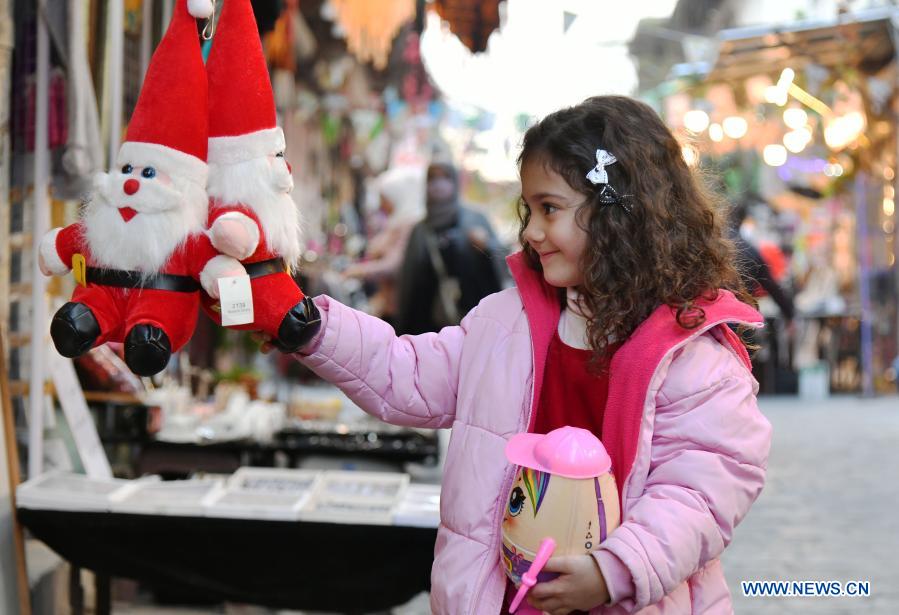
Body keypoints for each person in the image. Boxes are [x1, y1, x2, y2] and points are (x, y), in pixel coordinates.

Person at [280, 96, 772, 614]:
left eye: (550, 209)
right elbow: (408, 374)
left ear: (618, 212)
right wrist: (310, 326)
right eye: (529, 210)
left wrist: (615, 570)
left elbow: (703, 488)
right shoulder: (504, 322)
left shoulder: (692, 352)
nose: (532, 232)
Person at [393, 158, 508, 334]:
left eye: (445, 177)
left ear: (454, 181)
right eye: (433, 178)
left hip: (474, 328)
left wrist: (485, 245)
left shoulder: (475, 220)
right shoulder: (420, 231)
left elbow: (503, 257)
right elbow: (409, 286)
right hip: (429, 333)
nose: (439, 184)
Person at [343, 166, 425, 324]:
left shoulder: (409, 226)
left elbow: (394, 265)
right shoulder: (397, 222)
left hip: (397, 308)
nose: (381, 204)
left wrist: (359, 270)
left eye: (384, 198)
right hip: (386, 304)